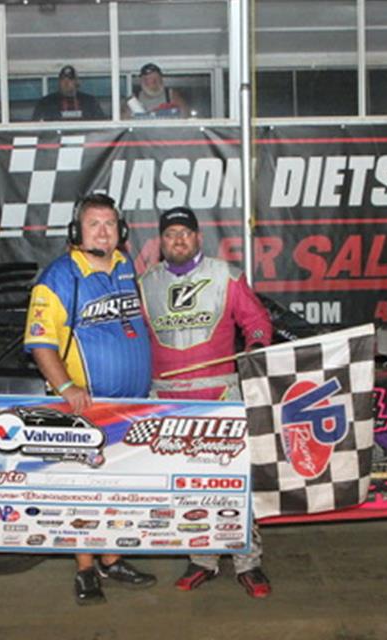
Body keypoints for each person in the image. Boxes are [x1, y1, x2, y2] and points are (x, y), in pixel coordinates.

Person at [23, 193, 156, 605]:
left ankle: (111, 559)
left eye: (110, 224)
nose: (103, 231)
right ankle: (85, 569)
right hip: (84, 408)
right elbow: (40, 343)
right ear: (76, 231)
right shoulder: (60, 276)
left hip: (130, 404)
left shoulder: (124, 267)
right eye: (94, 224)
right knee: (83, 489)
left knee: (119, 488)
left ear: (122, 231)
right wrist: (66, 388)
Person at [138, 206, 273, 599]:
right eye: (169, 234)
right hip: (168, 401)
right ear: (160, 242)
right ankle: (203, 561)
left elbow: (257, 321)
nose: (178, 239)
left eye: (185, 232)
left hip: (220, 397)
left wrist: (258, 345)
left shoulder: (226, 275)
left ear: (198, 238)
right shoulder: (145, 283)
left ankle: (248, 562)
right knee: (186, 488)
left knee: (234, 485)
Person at [31, 65, 106, 122]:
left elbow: (101, 124)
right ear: (59, 82)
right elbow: (35, 126)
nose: (66, 83)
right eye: (63, 79)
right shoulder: (46, 102)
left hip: (84, 140)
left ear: (76, 82)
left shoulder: (89, 102)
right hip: (55, 141)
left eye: (70, 79)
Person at [121, 63, 188, 119]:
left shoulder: (172, 95)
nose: (151, 82)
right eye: (147, 79)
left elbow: (185, 118)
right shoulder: (133, 100)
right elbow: (124, 121)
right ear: (142, 81)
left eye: (154, 79)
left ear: (161, 79)